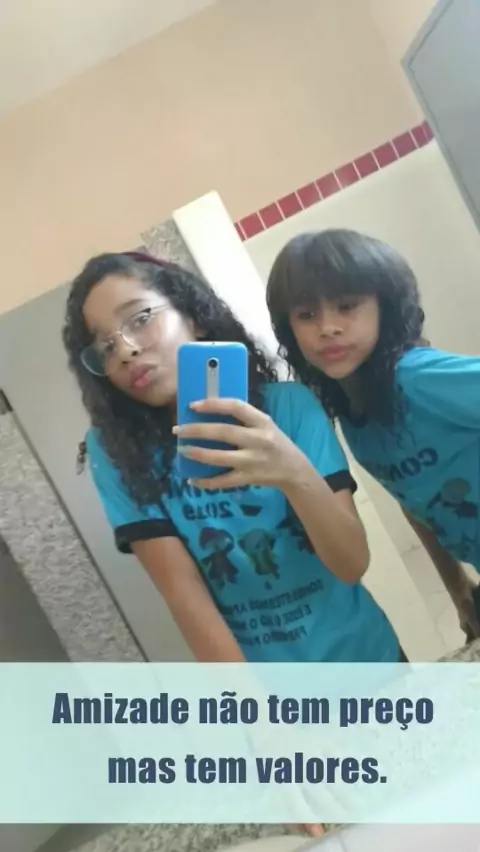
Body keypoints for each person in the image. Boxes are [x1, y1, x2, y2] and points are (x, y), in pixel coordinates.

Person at [63, 251, 404, 667]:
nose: (125, 351)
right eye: (105, 346)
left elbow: (351, 564)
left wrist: (292, 472)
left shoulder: (288, 408)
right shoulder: (116, 455)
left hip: (369, 660)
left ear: (194, 317)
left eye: (140, 319)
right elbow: (185, 597)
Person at [265, 228, 480, 640]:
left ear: (385, 305)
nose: (327, 327)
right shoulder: (354, 414)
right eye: (306, 315)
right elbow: (414, 501)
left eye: (346, 306)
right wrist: (456, 588)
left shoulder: (416, 377)